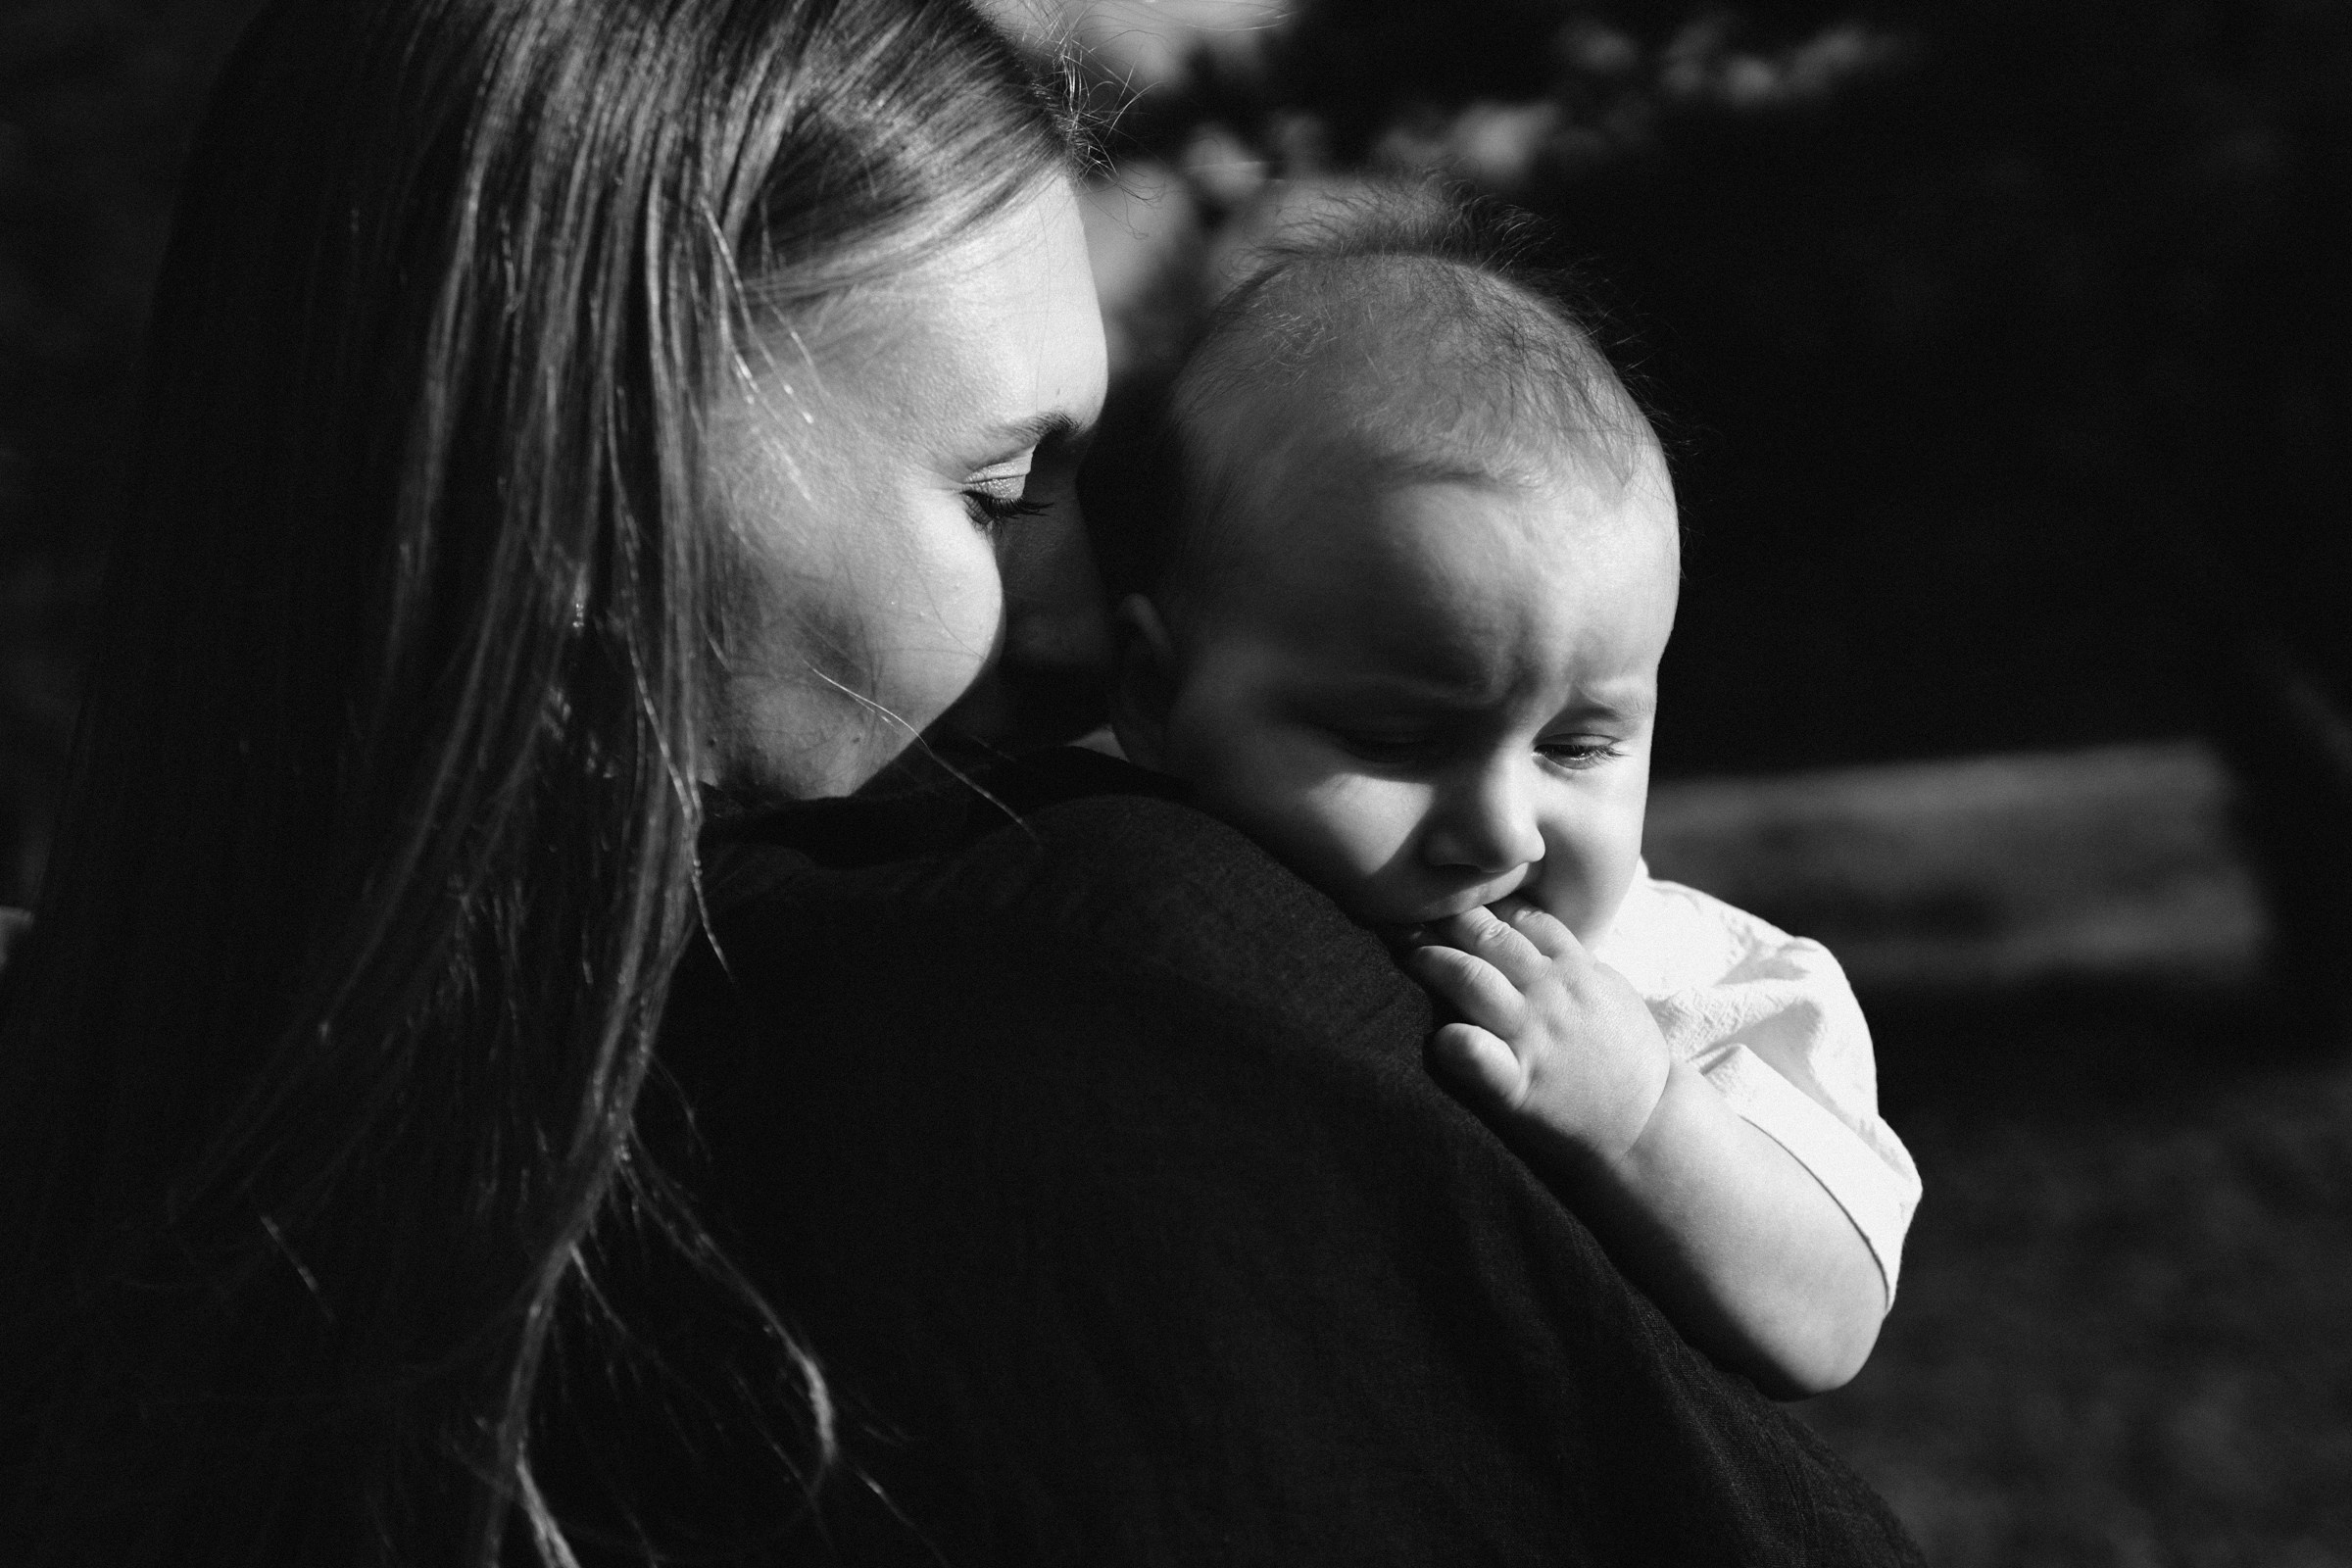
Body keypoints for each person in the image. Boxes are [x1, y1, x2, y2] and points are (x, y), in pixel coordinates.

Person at [0, 3, 1921, 1566]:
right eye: (997, 488)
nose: (1050, 600)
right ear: (620, 431)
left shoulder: (127, 1152)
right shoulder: (1049, 1002)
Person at [1101, 197, 1921, 1400]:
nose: (1502, 827)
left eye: (1580, 744)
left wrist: (1640, 1117)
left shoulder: (1720, 990)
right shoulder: (1089, 868)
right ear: (1155, 694)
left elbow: (1832, 1319)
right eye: (1393, 736)